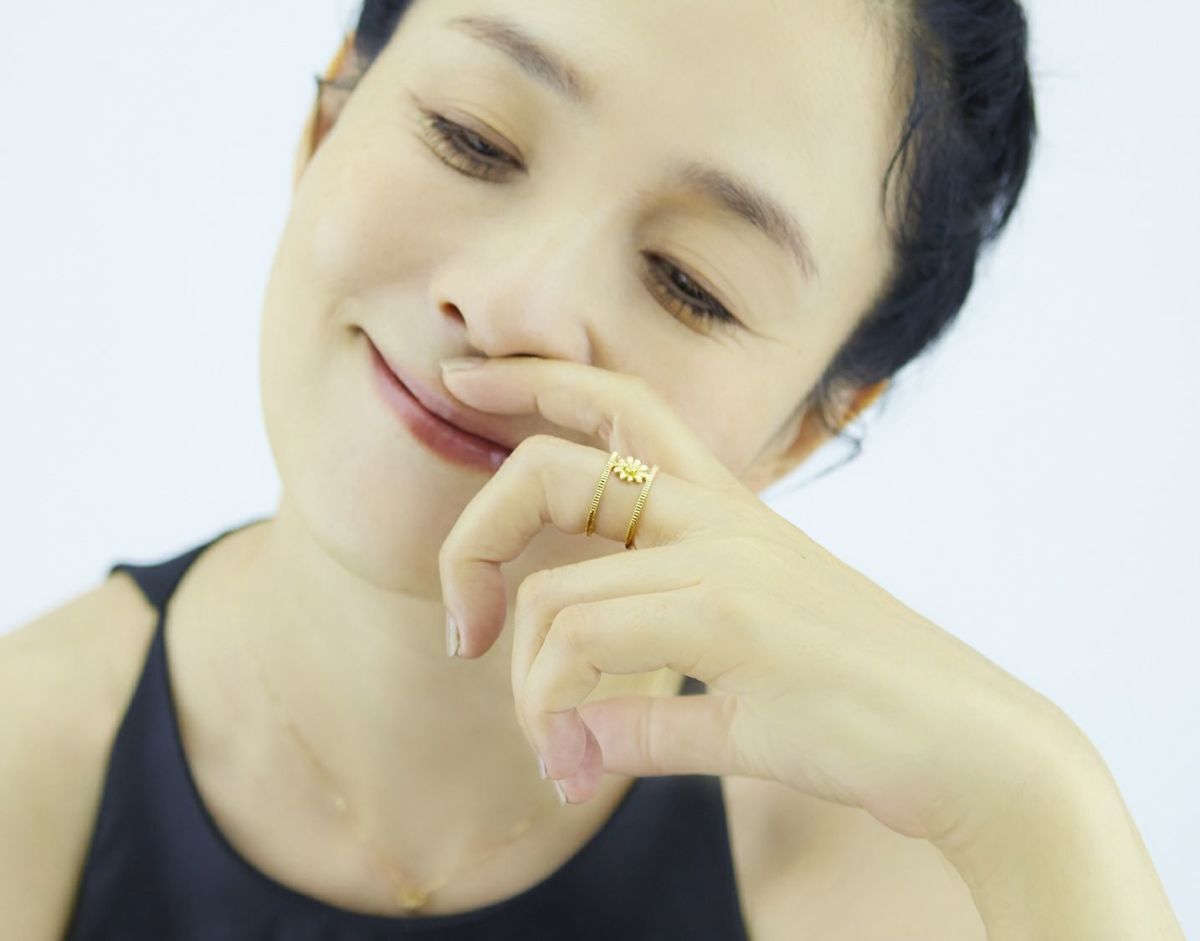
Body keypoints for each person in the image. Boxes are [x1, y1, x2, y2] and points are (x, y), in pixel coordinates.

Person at [1, 1, 1185, 939]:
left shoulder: (908, 886)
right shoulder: (27, 761)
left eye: (689, 282)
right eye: (473, 135)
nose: (515, 303)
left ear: (806, 428)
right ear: (330, 118)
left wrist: (1049, 800)